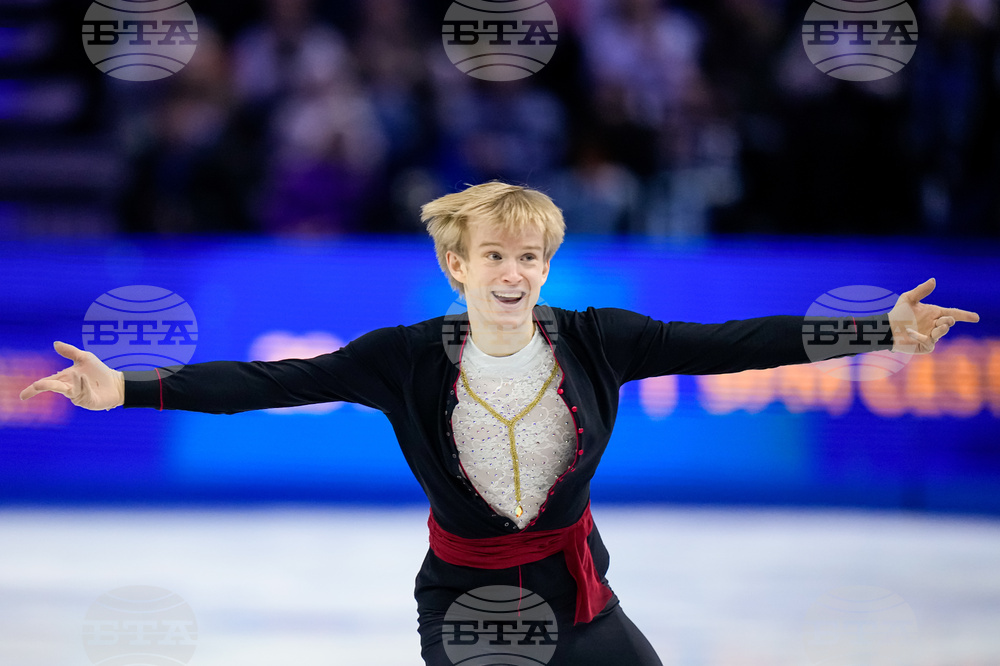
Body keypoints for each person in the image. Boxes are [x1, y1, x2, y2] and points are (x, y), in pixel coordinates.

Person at [20, 182, 980, 664]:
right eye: (494, 256)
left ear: (547, 265)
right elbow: (267, 381)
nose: (513, 273)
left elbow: (733, 344)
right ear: (458, 266)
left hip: (584, 597)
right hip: (470, 612)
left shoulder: (599, 339)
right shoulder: (402, 357)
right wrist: (126, 389)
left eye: (530, 257)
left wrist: (876, 329)